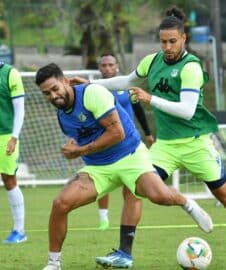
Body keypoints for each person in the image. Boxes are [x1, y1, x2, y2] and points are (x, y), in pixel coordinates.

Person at [87, 6, 226, 269]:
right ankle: (124, 254)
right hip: (165, 147)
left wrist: (151, 98)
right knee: (134, 188)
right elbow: (126, 81)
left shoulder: (191, 67)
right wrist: (89, 85)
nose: (168, 46)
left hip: (196, 144)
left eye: (173, 41)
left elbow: (186, 111)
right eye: (163, 41)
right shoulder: (152, 61)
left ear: (183, 38)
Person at [35, 63, 213, 270]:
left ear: (65, 81)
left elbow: (117, 133)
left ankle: (186, 203)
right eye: (46, 93)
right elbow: (80, 139)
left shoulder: (92, 93)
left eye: (55, 89)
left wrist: (80, 151)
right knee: (60, 204)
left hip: (130, 155)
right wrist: (73, 148)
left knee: (159, 196)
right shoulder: (63, 117)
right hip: (98, 168)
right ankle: (53, 264)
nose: (52, 96)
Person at [96, 53, 154, 230]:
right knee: (102, 182)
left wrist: (148, 134)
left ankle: (127, 217)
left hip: (129, 141)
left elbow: (138, 110)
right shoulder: (95, 89)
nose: (107, 68)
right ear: (100, 68)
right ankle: (103, 219)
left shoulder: (127, 86)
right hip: (105, 140)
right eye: (104, 65)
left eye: (110, 65)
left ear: (117, 67)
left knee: (130, 182)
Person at [0, 62, 27, 244]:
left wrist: (14, 137)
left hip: (6, 135)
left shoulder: (10, 74)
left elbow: (19, 108)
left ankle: (19, 231)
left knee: (9, 179)